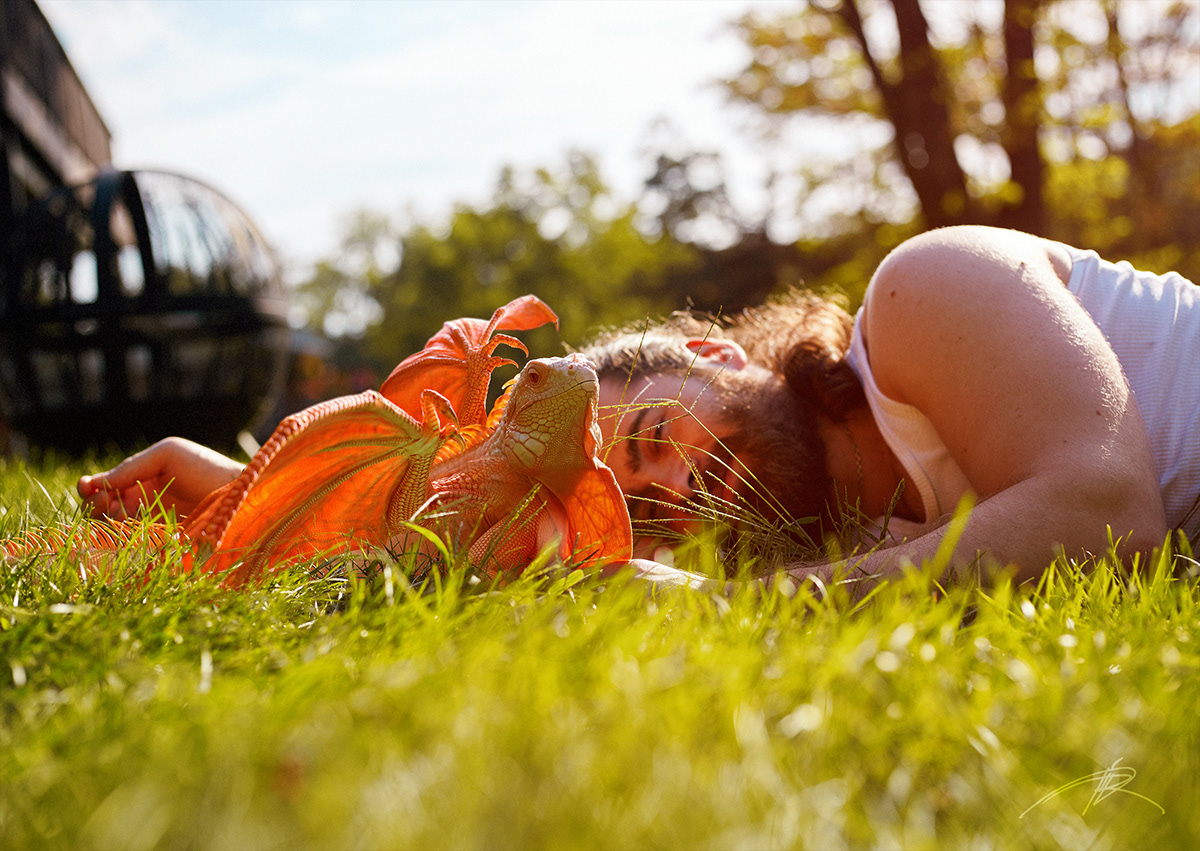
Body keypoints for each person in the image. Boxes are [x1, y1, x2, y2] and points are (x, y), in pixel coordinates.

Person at [79, 226, 1199, 594]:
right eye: (644, 509)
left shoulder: (924, 293)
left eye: (656, 434)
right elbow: (459, 534)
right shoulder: (881, 533)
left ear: (716, 355)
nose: (666, 490)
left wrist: (734, 613)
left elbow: (1107, 514)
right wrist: (252, 496)